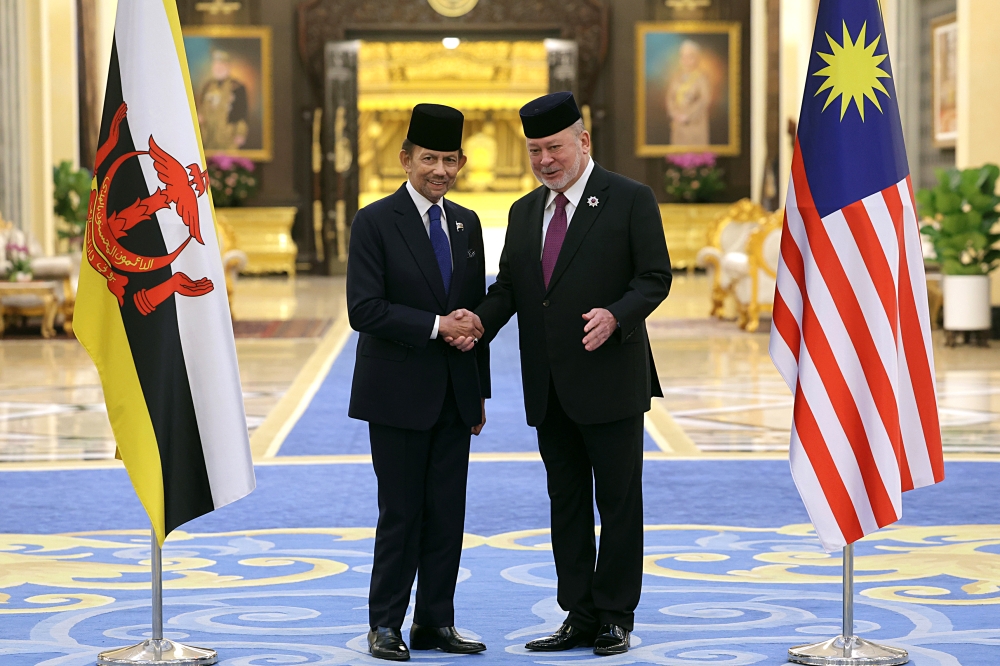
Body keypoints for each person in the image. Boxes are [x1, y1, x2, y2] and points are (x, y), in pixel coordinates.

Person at [451, 92, 671, 655]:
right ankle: (578, 612)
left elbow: (654, 277)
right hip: (549, 387)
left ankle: (616, 615)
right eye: (534, 150)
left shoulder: (629, 199)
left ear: (583, 142)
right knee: (565, 502)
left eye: (554, 147)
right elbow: (511, 289)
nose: (546, 160)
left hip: (611, 380)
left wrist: (617, 315)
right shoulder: (524, 212)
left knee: (619, 502)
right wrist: (477, 321)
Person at [347, 103, 490, 661]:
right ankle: (384, 624)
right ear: (405, 159)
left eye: (449, 160)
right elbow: (365, 309)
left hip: (455, 395)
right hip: (398, 396)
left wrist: (478, 391)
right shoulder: (375, 222)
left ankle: (436, 621)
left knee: (447, 515)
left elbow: (474, 312)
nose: (440, 170)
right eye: (429, 158)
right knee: (401, 513)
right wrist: (436, 325)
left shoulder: (467, 224)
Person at [198, 49, 249, 151]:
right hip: (208, 137)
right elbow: (201, 108)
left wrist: (240, 133)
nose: (218, 68)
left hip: (227, 136)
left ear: (228, 67)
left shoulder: (237, 87)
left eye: (222, 65)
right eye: (216, 65)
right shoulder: (208, 86)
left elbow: (242, 113)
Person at [666, 40, 711, 146]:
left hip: (694, 125)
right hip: (678, 125)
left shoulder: (701, 78)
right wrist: (674, 113)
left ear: (696, 59)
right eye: (683, 57)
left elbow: (704, 100)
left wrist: (687, 116)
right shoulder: (676, 77)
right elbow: (669, 97)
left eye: (689, 57)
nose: (685, 60)